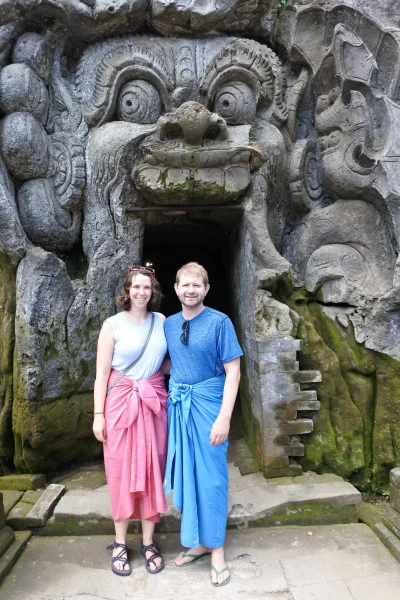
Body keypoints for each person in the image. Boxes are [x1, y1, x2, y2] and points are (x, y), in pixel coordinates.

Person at [164, 262, 243, 587]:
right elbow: (171, 363)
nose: (191, 290)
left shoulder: (220, 322)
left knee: (212, 479)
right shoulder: (169, 324)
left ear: (206, 289)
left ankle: (217, 550)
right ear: (176, 288)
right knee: (188, 476)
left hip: (209, 407)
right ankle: (198, 542)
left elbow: (233, 371)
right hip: (180, 408)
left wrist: (224, 417)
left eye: (197, 285)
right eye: (185, 284)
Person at [93, 265, 168, 577]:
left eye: (147, 287)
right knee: (120, 471)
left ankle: (148, 542)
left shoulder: (161, 321)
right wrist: (98, 415)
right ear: (127, 290)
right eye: (136, 287)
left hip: (153, 402)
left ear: (153, 292)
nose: (141, 292)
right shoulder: (112, 326)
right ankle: (120, 542)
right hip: (120, 404)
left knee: (153, 469)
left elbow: (167, 362)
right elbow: (101, 374)